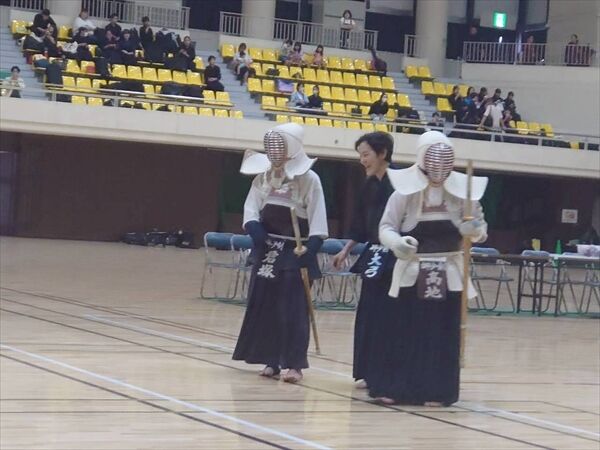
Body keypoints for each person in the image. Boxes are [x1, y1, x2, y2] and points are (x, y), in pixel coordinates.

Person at [368, 130, 488, 406]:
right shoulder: (404, 193)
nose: (438, 167)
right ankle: (396, 387)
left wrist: (473, 230)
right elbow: (386, 227)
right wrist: (398, 243)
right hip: (412, 271)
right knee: (404, 329)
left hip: (449, 272)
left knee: (441, 333)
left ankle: (437, 390)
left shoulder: (465, 194)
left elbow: (480, 229)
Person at [233, 123, 328, 383]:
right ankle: (271, 360)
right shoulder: (263, 178)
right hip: (267, 250)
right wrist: (254, 228)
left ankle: (294, 364)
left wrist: (311, 249)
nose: (275, 154)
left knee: (293, 310)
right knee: (266, 306)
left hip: (294, 250)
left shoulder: (310, 179)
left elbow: (318, 220)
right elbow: (251, 208)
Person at [332, 132, 396, 389]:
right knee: (368, 313)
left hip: (395, 257)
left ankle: (387, 370)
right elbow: (360, 226)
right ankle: (367, 371)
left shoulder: (400, 185)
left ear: (383, 154)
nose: (362, 161)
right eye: (360, 155)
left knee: (388, 316)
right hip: (374, 256)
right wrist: (345, 250)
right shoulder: (368, 186)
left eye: (366, 154)